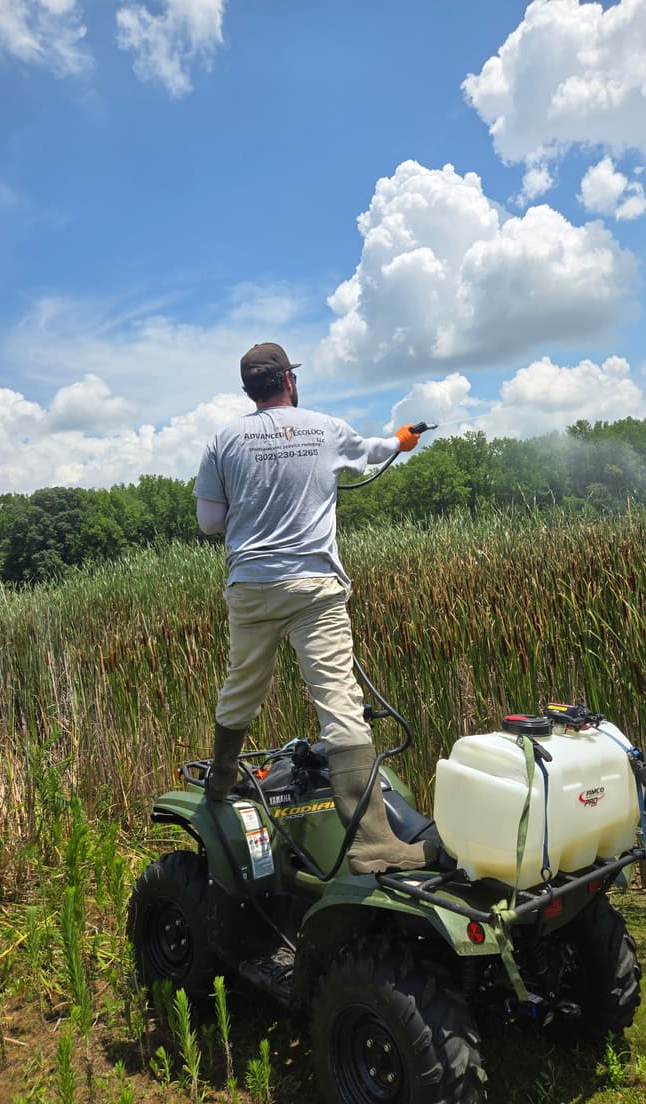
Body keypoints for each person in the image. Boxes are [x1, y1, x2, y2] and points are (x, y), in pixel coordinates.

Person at [194, 341, 434, 874]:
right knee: (338, 700)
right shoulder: (326, 428)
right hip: (315, 588)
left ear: (249, 390)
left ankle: (222, 778)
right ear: (289, 381)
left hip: (251, 586)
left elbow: (209, 522)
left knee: (242, 686)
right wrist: (403, 440)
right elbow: (376, 450)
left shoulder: (222, 440)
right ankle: (373, 844)